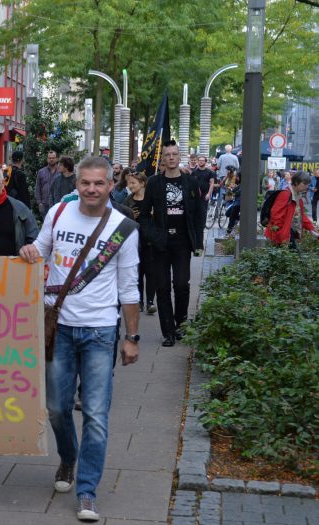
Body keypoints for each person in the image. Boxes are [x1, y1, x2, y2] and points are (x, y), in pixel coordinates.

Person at [19, 155, 140, 523]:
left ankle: (87, 490)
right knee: (56, 407)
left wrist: (132, 336)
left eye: (99, 183)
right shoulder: (58, 213)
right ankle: (68, 457)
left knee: (96, 414)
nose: (91, 189)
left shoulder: (124, 227)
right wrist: (28, 252)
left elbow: (129, 287)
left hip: (101, 330)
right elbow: (39, 249)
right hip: (59, 328)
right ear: (77, 185)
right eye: (85, 183)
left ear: (110, 185)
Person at [144, 140, 205, 347]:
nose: (171, 158)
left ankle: (181, 325)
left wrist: (198, 242)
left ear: (180, 157)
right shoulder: (154, 183)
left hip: (182, 241)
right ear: (163, 158)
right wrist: (152, 236)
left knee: (181, 284)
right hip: (161, 242)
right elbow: (143, 215)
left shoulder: (190, 182)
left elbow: (199, 214)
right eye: (167, 154)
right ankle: (168, 332)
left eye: (174, 154)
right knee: (162, 288)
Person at [123, 172, 156, 314]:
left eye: (133, 183)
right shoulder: (127, 201)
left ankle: (150, 301)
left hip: (150, 241)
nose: (129, 186)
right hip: (134, 241)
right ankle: (139, 301)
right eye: (128, 183)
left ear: (142, 183)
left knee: (151, 272)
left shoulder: (152, 199)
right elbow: (122, 221)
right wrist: (132, 217)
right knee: (137, 272)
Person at [264, 171, 317, 248]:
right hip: (282, 235)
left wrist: (311, 228)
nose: (306, 187)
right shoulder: (285, 194)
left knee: (292, 257)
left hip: (288, 233)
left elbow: (301, 215)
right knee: (293, 256)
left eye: (307, 184)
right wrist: (280, 235)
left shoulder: (297, 195)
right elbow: (276, 216)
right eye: (304, 184)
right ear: (296, 182)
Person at [192, 156, 217, 223]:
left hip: (205, 193)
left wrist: (209, 194)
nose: (201, 161)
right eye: (200, 160)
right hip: (196, 194)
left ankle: (202, 225)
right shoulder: (194, 172)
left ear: (205, 162)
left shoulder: (210, 172)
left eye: (202, 160)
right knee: (195, 210)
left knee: (203, 210)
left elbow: (212, 183)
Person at [36, 150, 60, 218]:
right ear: (47, 159)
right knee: (46, 226)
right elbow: (37, 188)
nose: (51, 159)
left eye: (53, 158)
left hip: (57, 205)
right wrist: (39, 203)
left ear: (56, 159)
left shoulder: (61, 172)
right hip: (44, 205)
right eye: (50, 158)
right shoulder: (41, 172)